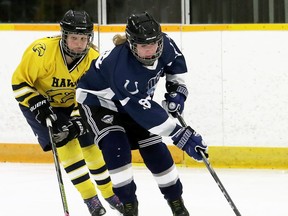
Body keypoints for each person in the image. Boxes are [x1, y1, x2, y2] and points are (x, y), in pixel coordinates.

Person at [75, 11, 208, 216]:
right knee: (115, 146)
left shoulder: (165, 43)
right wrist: (181, 134)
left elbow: (175, 67)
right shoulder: (122, 67)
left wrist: (176, 92)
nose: (151, 50)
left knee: (155, 149)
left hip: (134, 101)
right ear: (131, 44)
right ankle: (128, 206)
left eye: (154, 44)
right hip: (98, 103)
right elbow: (142, 111)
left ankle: (177, 204)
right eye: (144, 46)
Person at [11, 10, 123, 216]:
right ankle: (90, 198)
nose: (79, 44)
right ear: (63, 36)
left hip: (75, 105)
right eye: (74, 38)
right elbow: (19, 82)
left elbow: (92, 97)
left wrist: (77, 122)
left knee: (90, 147)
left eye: (83, 38)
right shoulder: (41, 52)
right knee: (64, 144)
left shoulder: (93, 59)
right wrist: (36, 102)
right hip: (39, 104)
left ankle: (110, 193)